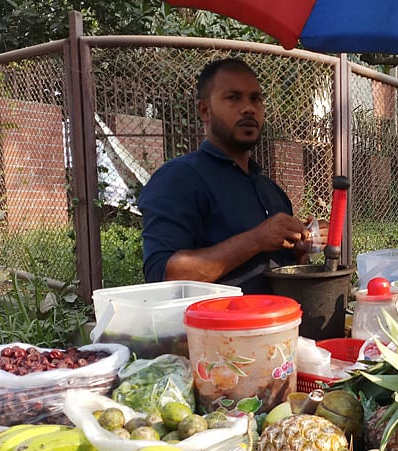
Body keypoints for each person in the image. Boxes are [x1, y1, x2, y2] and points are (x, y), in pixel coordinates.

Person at [138, 57, 326, 294]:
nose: (249, 108)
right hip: (217, 329)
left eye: (256, 99)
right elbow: (162, 275)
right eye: (233, 97)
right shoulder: (178, 179)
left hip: (281, 324)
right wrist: (256, 239)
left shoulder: (271, 191)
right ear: (205, 110)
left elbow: (284, 273)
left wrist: (299, 250)